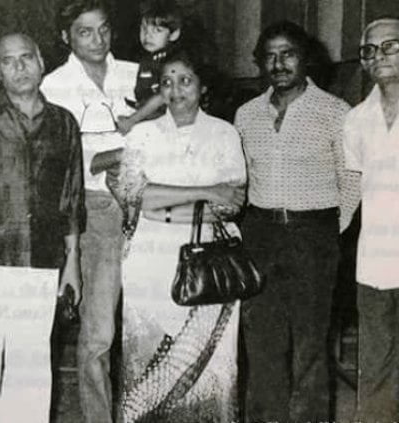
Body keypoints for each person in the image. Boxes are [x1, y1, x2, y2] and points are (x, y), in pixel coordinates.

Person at [0, 33, 85, 423]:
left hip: (41, 262)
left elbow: (71, 200)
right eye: (9, 61)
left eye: (27, 57)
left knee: (33, 366)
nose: (19, 66)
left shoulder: (63, 123)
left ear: (41, 63)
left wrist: (72, 263)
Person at [233, 20, 360, 423]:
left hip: (314, 234)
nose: (279, 62)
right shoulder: (246, 114)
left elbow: (352, 180)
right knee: (261, 341)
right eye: (270, 55)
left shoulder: (336, 112)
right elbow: (241, 176)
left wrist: (327, 231)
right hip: (259, 233)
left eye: (288, 53)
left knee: (310, 345)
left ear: (305, 58)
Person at [114, 47, 246, 422]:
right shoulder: (143, 134)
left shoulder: (224, 133)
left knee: (211, 366)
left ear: (203, 87)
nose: (175, 90)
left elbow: (232, 204)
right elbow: (136, 197)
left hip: (210, 260)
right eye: (166, 83)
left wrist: (165, 196)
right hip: (149, 256)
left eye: (185, 80)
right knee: (147, 357)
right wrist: (204, 191)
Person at [40, 2, 137, 421]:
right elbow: (57, 164)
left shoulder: (137, 75)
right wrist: (114, 153)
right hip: (96, 212)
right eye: (85, 32)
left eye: (103, 30)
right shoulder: (51, 87)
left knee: (147, 324)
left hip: (149, 207)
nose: (97, 41)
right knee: (99, 332)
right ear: (66, 37)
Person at [343, 17, 399, 423]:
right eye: (369, 50)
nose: (378, 56)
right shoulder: (357, 120)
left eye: (389, 46)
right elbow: (355, 186)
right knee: (376, 376)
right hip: (375, 267)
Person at [115, 0, 183, 134]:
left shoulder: (174, 60)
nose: (148, 35)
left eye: (157, 30)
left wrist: (132, 120)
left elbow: (162, 96)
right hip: (149, 116)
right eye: (144, 29)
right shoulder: (147, 58)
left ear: (174, 34)